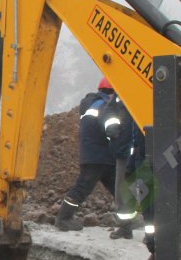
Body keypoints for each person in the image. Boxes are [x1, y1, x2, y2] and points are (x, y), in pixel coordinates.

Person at [55, 78, 141, 234]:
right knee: (83, 187)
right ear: (111, 92)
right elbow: (110, 125)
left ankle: (128, 221)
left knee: (121, 189)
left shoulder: (94, 103)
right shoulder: (102, 105)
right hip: (97, 156)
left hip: (101, 155)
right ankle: (63, 218)